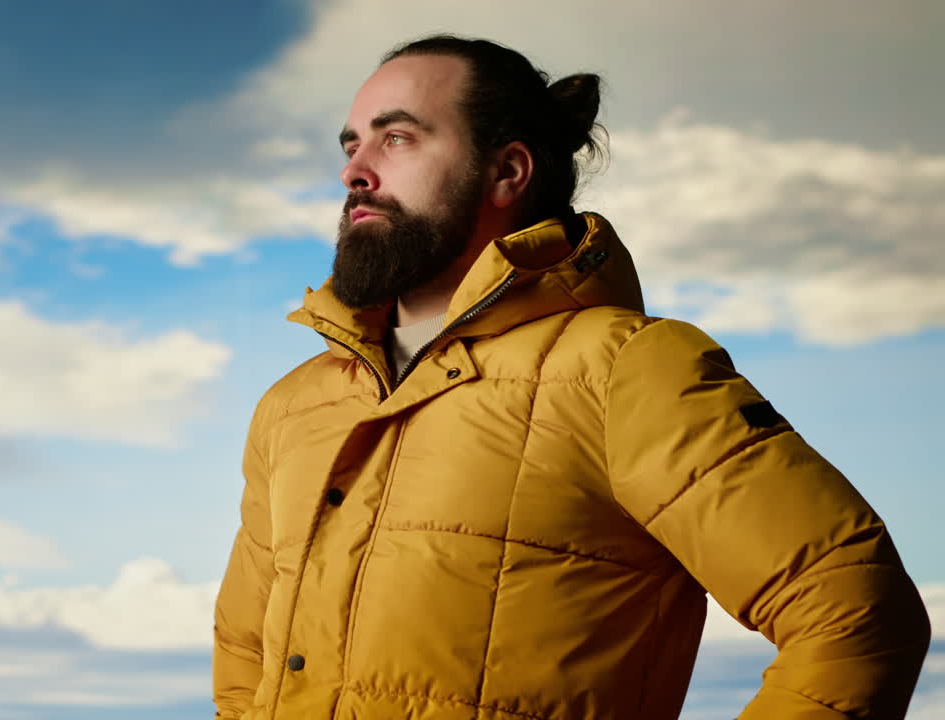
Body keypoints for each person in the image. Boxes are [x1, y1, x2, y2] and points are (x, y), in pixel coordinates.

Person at [212, 34, 930, 720]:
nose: (355, 170)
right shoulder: (295, 405)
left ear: (507, 173)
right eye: (352, 144)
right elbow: (244, 659)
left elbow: (858, 612)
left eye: (397, 139)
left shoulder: (627, 370)